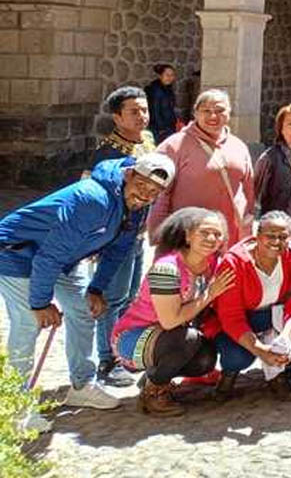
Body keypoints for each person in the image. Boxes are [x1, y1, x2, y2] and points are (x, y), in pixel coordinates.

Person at [0, 154, 174, 424]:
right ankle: (15, 407)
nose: (146, 195)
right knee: (28, 324)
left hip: (63, 260)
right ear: (129, 175)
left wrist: (96, 288)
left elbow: (118, 250)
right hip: (17, 254)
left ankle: (82, 385)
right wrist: (40, 304)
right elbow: (49, 257)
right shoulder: (91, 198)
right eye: (142, 185)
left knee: (83, 310)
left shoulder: (136, 205)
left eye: (154, 192)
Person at [112, 208, 232, 417]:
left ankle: (156, 376)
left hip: (171, 335)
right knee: (189, 340)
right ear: (188, 235)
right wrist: (209, 294)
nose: (212, 238)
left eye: (218, 234)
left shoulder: (211, 263)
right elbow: (170, 321)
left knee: (205, 358)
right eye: (204, 232)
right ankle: (153, 393)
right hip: (133, 338)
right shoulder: (166, 269)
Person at [84, 86, 157, 387]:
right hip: (116, 236)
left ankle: (124, 350)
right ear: (116, 117)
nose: (142, 116)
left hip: (139, 234)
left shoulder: (149, 141)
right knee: (111, 298)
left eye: (144, 109)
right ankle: (107, 358)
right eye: (133, 111)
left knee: (129, 297)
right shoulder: (107, 153)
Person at [212, 211, 291, 402]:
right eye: (270, 236)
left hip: (273, 314)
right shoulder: (234, 263)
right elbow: (231, 316)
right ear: (257, 235)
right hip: (241, 319)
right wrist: (260, 350)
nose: (276, 242)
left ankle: (276, 376)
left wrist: (286, 337)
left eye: (283, 237)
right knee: (239, 357)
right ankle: (229, 373)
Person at [148, 89, 255, 245]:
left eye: (220, 110)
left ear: (229, 113)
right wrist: (159, 233)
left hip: (229, 239)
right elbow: (159, 194)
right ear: (195, 113)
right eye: (206, 111)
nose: (213, 116)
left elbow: (248, 191)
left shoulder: (238, 146)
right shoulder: (174, 146)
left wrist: (247, 227)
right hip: (187, 239)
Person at [145, 62, 180, 143]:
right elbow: (154, 110)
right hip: (158, 129)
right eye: (167, 75)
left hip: (168, 127)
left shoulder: (168, 89)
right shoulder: (155, 91)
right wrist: (162, 129)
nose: (170, 78)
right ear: (160, 76)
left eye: (172, 75)